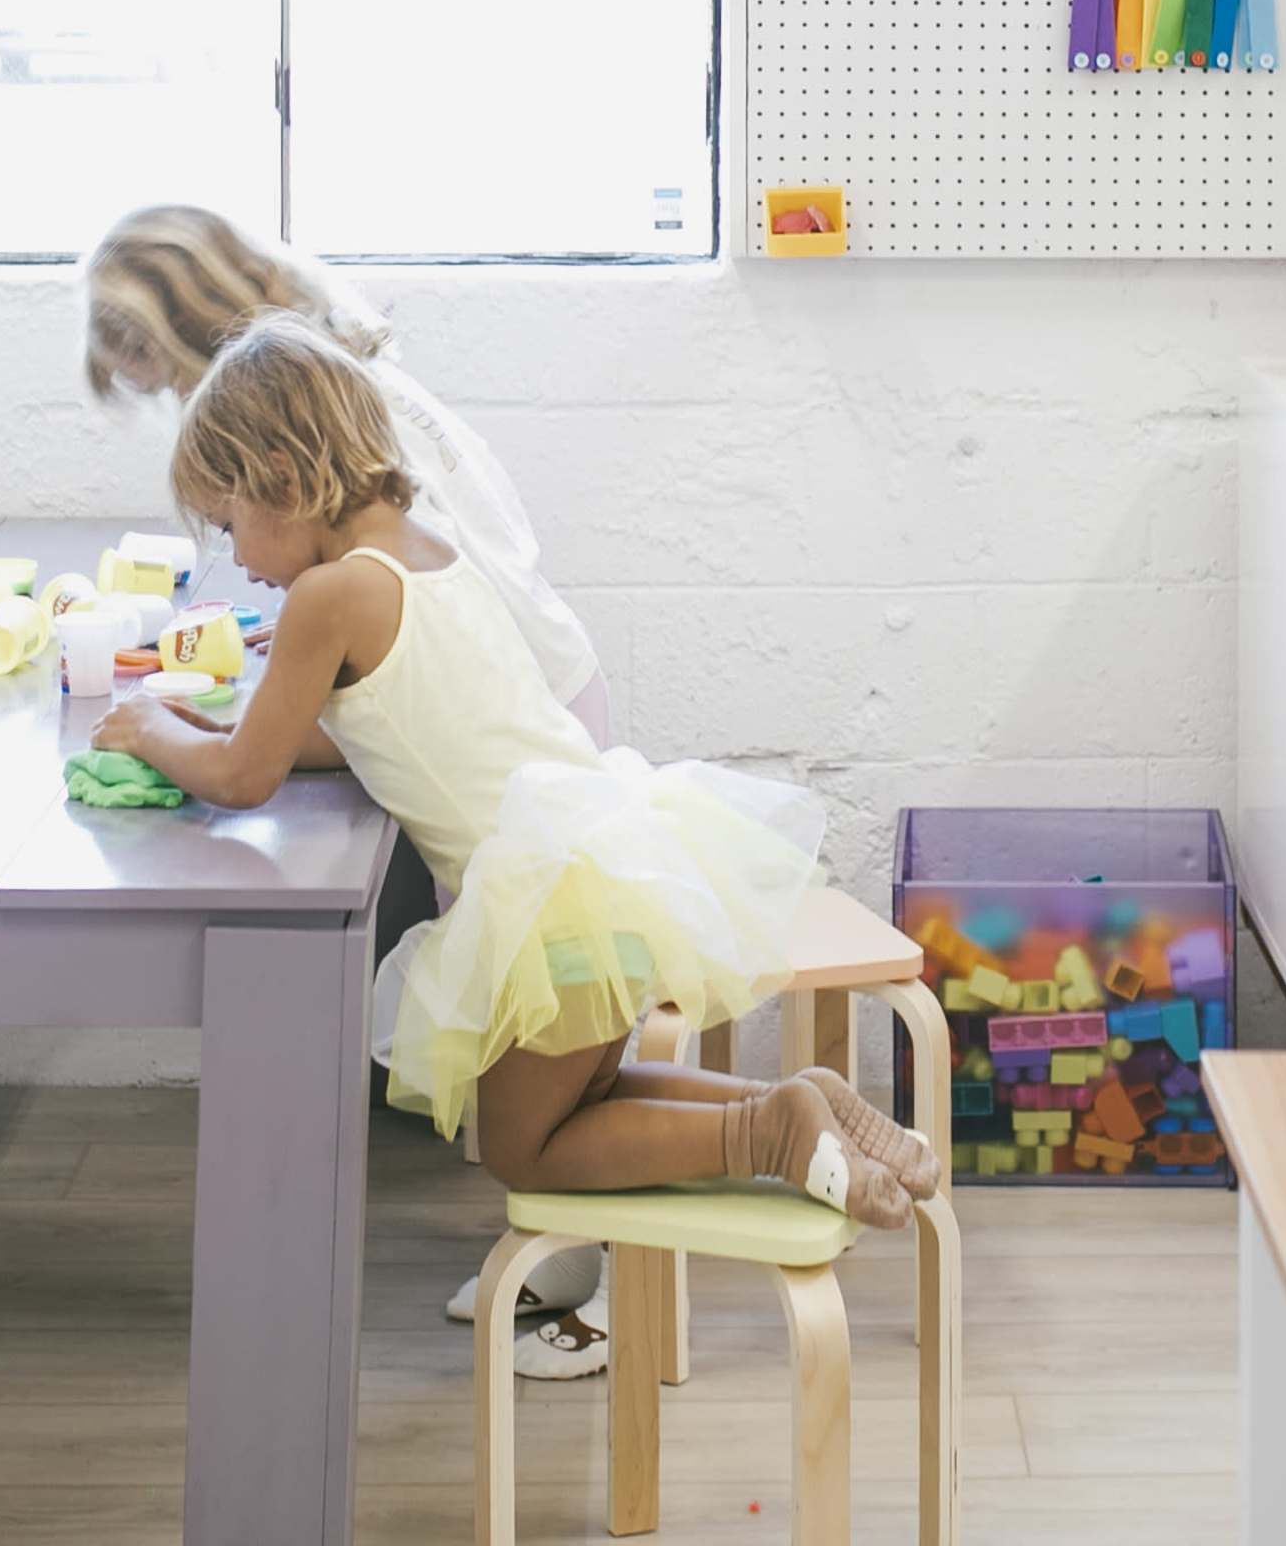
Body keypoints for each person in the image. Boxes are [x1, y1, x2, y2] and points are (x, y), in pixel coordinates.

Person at [92, 315, 940, 1239]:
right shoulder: (428, 555)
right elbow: (379, 730)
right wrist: (220, 725)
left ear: (284, 483)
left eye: (229, 525)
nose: (237, 559)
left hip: (546, 914)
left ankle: (769, 1131)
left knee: (522, 1148)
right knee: (592, 1095)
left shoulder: (327, 597)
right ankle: (791, 1100)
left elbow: (246, 779)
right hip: (602, 870)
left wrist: (148, 732)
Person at [82, 204, 607, 741]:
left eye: (176, 383)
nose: (184, 403)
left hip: (530, 719)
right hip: (557, 676)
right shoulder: (346, 383)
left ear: (206, 346)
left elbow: (429, 611)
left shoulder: (326, 420)